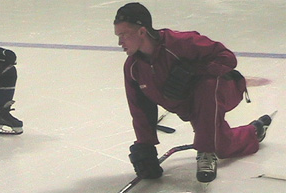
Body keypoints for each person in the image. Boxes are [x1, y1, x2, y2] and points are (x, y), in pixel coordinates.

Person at [113, 2, 273, 182]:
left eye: (124, 35)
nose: (120, 42)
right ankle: (254, 130)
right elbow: (140, 109)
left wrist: (193, 70)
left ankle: (206, 152)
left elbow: (228, 59)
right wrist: (145, 146)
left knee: (206, 86)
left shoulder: (181, 42)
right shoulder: (133, 68)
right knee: (221, 145)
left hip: (221, 92)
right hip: (189, 107)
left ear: (142, 31)